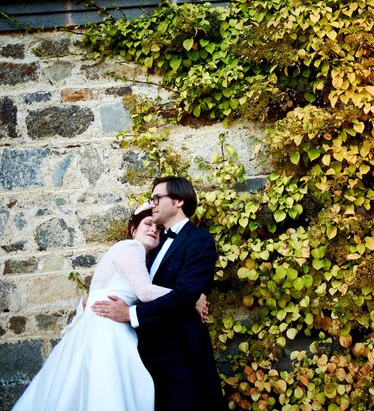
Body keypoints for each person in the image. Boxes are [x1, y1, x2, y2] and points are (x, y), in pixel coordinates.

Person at [12, 204, 207, 411]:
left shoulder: (130, 252)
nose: (153, 230)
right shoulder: (132, 248)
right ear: (133, 229)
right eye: (147, 224)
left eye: (158, 229)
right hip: (108, 327)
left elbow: (96, 293)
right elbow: (145, 292)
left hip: (100, 321)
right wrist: (191, 297)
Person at [92, 176, 225, 410]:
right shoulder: (151, 243)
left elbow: (184, 294)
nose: (153, 203)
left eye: (157, 197)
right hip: (145, 356)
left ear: (179, 201)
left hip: (180, 356)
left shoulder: (199, 240)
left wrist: (130, 314)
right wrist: (94, 299)